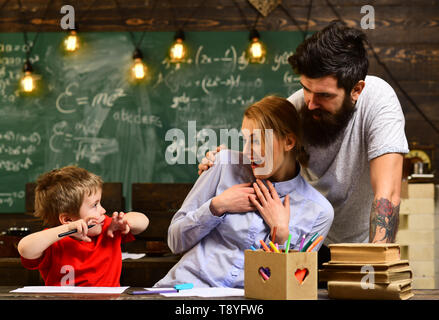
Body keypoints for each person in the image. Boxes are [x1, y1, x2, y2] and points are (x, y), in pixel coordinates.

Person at [198, 21, 409, 266]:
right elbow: (262, 160)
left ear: (356, 90)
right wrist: (224, 162)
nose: (309, 103)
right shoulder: (296, 107)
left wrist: (377, 265)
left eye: (324, 95)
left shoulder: (379, 102)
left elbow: (388, 193)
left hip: (359, 247)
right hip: (303, 240)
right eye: (306, 89)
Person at [155, 96, 333, 288]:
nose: (247, 151)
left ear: (288, 142)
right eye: (245, 140)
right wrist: (217, 206)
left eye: (255, 141)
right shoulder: (224, 164)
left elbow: (293, 286)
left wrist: (281, 236)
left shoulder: (319, 212)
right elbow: (175, 242)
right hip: (185, 288)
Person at [17, 165, 149, 286]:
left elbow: (143, 221)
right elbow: (25, 248)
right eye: (94, 205)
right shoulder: (53, 242)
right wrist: (68, 229)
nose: (103, 211)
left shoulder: (109, 229)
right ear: (68, 219)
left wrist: (125, 221)